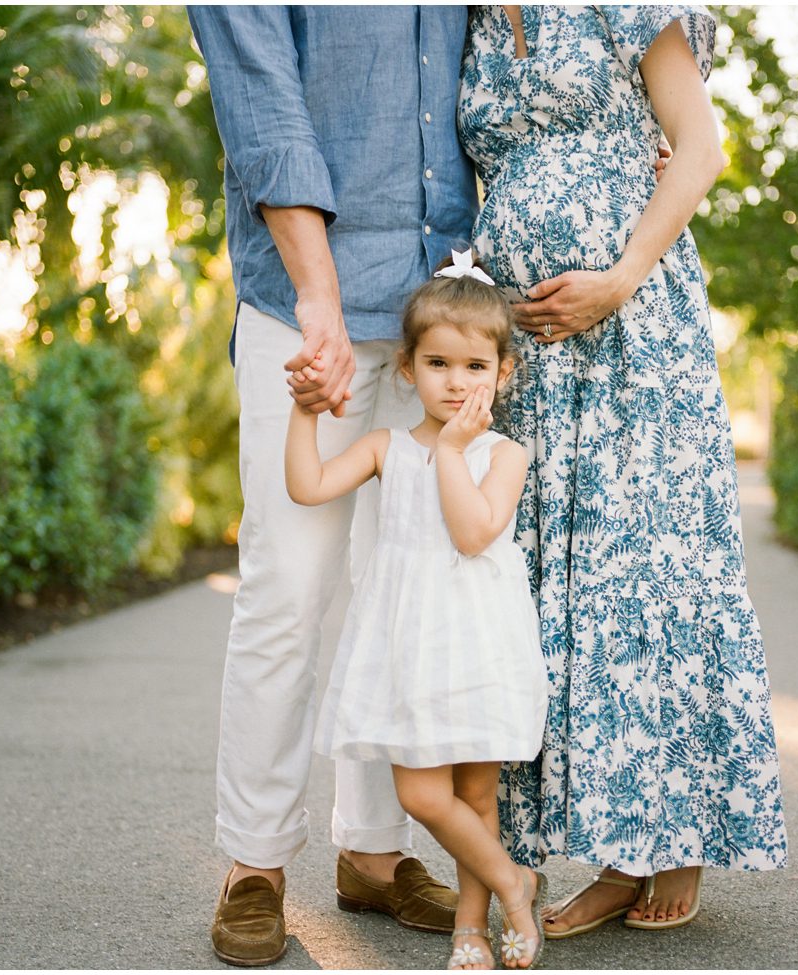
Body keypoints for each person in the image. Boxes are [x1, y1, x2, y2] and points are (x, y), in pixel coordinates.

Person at [457, 4, 789, 936]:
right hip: (526, 345)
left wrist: (622, 274)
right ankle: (612, 842)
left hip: (634, 322)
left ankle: (667, 843)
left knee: (647, 562)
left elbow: (700, 146)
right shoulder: (470, 24)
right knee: (552, 583)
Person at [185, 7, 477, 965]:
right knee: (289, 589)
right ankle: (255, 862)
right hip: (305, 305)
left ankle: (374, 853)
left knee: (405, 594)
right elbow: (265, 109)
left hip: (437, 314)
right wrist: (319, 300)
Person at [289, 254, 551, 970]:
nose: (456, 380)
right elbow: (309, 485)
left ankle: (472, 924)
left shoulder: (503, 455)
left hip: (478, 640)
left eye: (474, 365)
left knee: (475, 792)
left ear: (502, 372)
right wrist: (304, 410)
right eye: (438, 362)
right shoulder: (386, 448)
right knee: (422, 791)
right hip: (411, 646)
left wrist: (456, 451)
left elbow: (472, 533)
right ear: (408, 368)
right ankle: (512, 881)